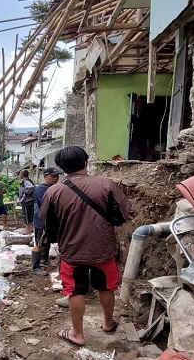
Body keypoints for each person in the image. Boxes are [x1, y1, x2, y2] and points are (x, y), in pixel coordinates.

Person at [41, 146, 131, 347]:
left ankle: (77, 334)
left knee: (75, 291)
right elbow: (121, 216)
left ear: (61, 167)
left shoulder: (53, 192)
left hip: (72, 251)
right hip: (104, 249)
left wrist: (60, 239)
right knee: (106, 287)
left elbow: (49, 225)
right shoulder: (107, 185)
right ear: (86, 162)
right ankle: (108, 323)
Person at [31, 167, 61, 275]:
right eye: (53, 176)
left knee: (46, 241)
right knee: (39, 243)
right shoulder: (41, 189)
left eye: (57, 176)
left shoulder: (51, 187)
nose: (56, 178)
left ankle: (44, 260)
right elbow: (48, 205)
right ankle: (35, 267)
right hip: (41, 220)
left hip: (49, 220)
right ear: (45, 176)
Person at [17, 169, 36, 234]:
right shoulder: (27, 180)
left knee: (27, 215)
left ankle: (28, 230)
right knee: (29, 215)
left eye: (20, 174)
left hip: (26, 201)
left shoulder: (25, 181)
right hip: (28, 201)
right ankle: (28, 229)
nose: (19, 175)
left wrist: (25, 194)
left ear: (22, 174)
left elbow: (31, 187)